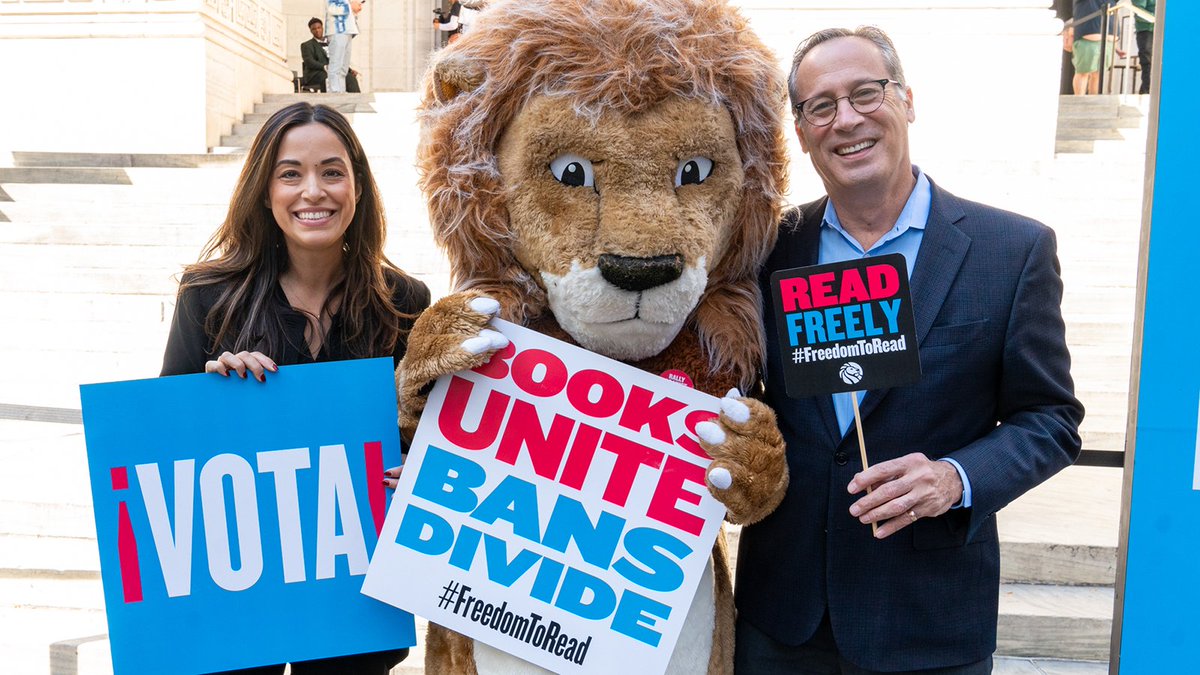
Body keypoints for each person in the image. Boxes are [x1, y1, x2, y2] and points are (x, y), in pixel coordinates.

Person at [735, 26, 1084, 674]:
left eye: (865, 93)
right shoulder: (767, 249)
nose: (846, 119)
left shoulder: (1011, 251)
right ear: (803, 131)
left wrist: (955, 478)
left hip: (927, 622)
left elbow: (1053, 421)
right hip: (781, 619)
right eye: (821, 105)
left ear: (907, 100)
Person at [160, 101, 429, 674]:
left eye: (332, 171)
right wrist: (208, 397)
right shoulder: (207, 297)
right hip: (238, 597)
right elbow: (164, 460)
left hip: (352, 605)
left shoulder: (405, 303)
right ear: (265, 190)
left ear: (358, 186)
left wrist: (417, 469)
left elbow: (419, 431)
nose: (314, 191)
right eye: (290, 173)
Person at [1072, 0, 1117, 94]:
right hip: (1088, 34)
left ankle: (1094, 100)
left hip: (1109, 34)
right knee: (1083, 72)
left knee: (1098, 74)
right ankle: (1079, 102)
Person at [325, 0, 362, 93]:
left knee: (344, 66)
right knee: (336, 63)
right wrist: (350, 6)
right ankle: (334, 90)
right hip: (337, 32)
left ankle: (341, 90)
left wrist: (355, 10)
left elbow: (349, 18)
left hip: (348, 33)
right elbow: (332, 9)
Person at [1132, 0, 1156, 95]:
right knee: (1148, 61)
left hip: (1162, 29)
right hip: (1147, 30)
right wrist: (1157, 18)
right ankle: (1147, 90)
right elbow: (1139, 10)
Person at [300, 18, 329, 93]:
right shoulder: (306, 45)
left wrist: (350, 70)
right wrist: (324, 67)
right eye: (314, 29)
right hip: (315, 74)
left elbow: (339, 58)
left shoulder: (331, 43)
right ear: (310, 31)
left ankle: (357, 101)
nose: (317, 30)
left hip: (332, 71)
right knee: (326, 76)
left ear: (322, 28)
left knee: (350, 77)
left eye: (319, 28)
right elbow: (309, 62)